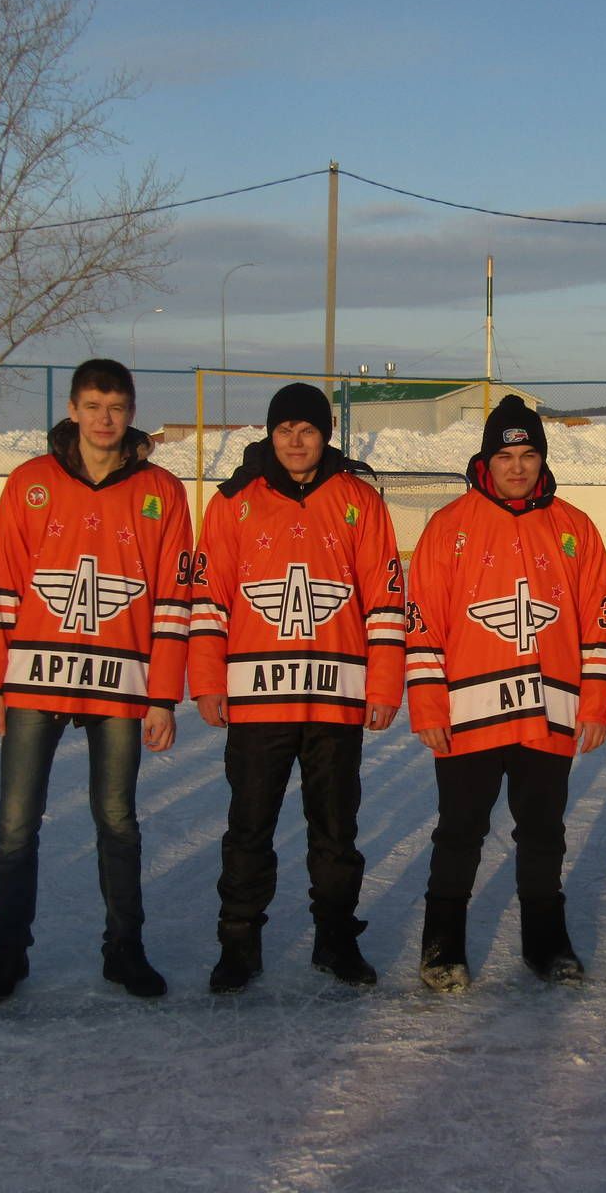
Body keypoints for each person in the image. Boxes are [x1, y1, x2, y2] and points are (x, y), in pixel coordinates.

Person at [0, 358, 191, 1002]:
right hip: (33, 680)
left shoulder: (162, 491)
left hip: (120, 682)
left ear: (131, 411)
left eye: (116, 407)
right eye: (93, 406)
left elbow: (173, 599)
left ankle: (125, 948)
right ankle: (7, 951)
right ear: (72, 410)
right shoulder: (30, 482)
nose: (104, 419)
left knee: (117, 820)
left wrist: (162, 696)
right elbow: (2, 584)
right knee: (16, 823)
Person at [189, 383, 404, 992]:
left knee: (336, 832)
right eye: (283, 428)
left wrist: (384, 685)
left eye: (306, 429)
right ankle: (239, 942)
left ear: (325, 434)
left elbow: (386, 601)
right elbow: (210, 600)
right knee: (249, 826)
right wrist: (207, 680)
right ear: (269, 433)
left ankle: (334, 940)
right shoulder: (234, 502)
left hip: (336, 698)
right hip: (258, 700)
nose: (295, 440)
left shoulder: (360, 501)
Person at [406, 394, 606, 990]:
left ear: (542, 459)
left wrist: (597, 702)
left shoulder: (574, 528)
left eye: (528, 454)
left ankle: (545, 944)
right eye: (506, 455)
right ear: (486, 461)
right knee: (459, 832)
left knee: (544, 833)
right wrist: (426, 704)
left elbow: (601, 624)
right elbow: (423, 626)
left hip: (548, 712)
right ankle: (442, 945)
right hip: (469, 715)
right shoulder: (449, 527)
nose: (517, 466)